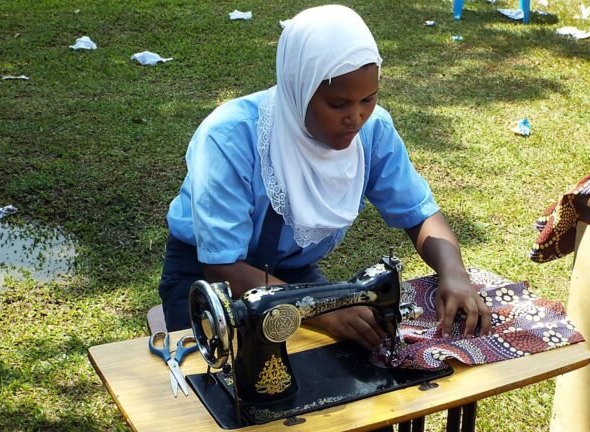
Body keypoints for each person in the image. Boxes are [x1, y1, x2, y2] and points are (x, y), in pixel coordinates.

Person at [158, 4, 492, 349]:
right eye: (337, 104)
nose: (356, 117)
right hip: (207, 279)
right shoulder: (229, 137)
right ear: (299, 88)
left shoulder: (372, 133)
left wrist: (454, 273)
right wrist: (321, 311)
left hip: (294, 277)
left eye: (368, 99)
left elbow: (420, 214)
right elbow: (223, 267)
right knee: (216, 385)